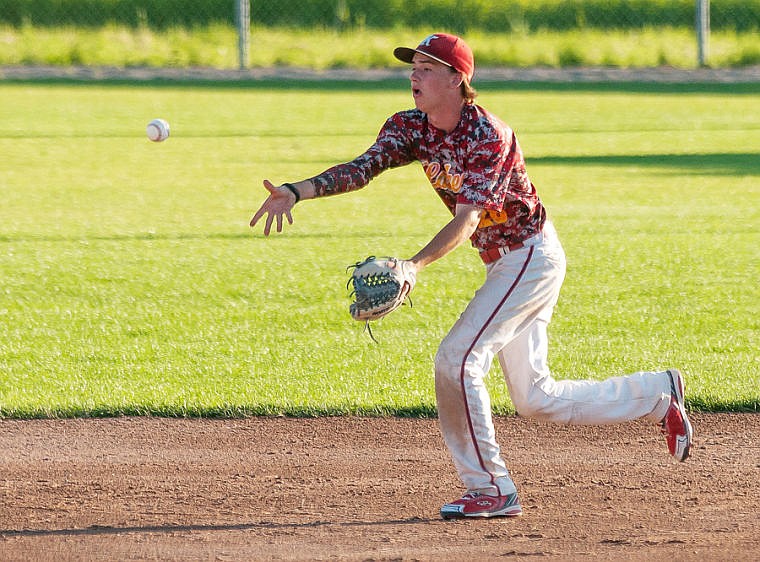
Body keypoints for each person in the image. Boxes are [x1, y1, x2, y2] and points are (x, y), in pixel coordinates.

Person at [250, 33, 693, 519]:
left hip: (530, 257)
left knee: (457, 360)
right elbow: (364, 167)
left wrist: (413, 266)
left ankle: (490, 487)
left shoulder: (489, 136)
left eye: (426, 67)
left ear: (457, 79)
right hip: (507, 261)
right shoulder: (410, 127)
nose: (414, 75)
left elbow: (468, 220)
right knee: (536, 399)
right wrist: (297, 190)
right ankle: (656, 392)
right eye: (413, 66)